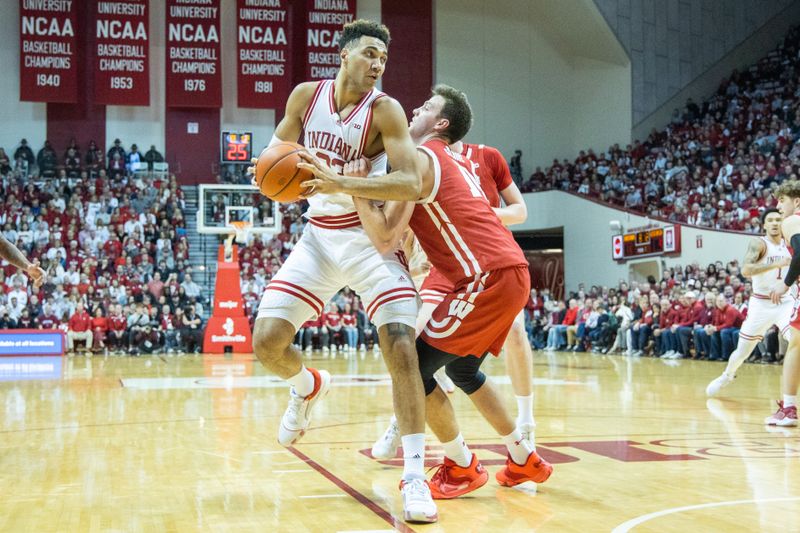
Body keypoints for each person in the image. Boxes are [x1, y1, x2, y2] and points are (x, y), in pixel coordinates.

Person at [300, 84, 553, 499]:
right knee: (462, 370)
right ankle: (522, 456)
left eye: (426, 107)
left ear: (441, 123)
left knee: (413, 370)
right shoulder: (440, 161)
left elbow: (383, 237)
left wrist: (346, 183)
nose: (415, 108)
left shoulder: (422, 158)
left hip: (485, 277)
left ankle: (462, 464)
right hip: (501, 273)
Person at [247, 19, 436, 522]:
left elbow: (411, 182)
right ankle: (307, 384)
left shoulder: (386, 111)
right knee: (265, 342)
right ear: (345, 54)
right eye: (370, 54)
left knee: (400, 346)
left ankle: (415, 475)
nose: (377, 64)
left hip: (367, 238)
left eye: (383, 59)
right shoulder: (305, 97)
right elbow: (276, 156)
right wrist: (264, 174)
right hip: (318, 237)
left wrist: (334, 179)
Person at [372, 138, 537, 458]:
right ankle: (401, 421)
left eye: (427, 110)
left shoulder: (487, 155)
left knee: (516, 333)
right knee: (413, 347)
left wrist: (475, 212)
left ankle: (526, 421)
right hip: (444, 266)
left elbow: (520, 211)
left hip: (486, 259)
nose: (417, 116)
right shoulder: (422, 160)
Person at [707, 208, 793, 396]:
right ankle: (727, 375)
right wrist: (777, 263)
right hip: (761, 304)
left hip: (786, 302)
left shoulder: (791, 242)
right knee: (743, 351)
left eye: (778, 219)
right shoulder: (759, 243)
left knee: (796, 340)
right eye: (770, 220)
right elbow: (746, 270)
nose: (775, 223)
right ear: (764, 225)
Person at [766, 182, 800, 426]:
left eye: (781, 201)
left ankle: (788, 408)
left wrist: (786, 283)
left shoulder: (792, 221)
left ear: (796, 201)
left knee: (795, 345)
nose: (778, 207)